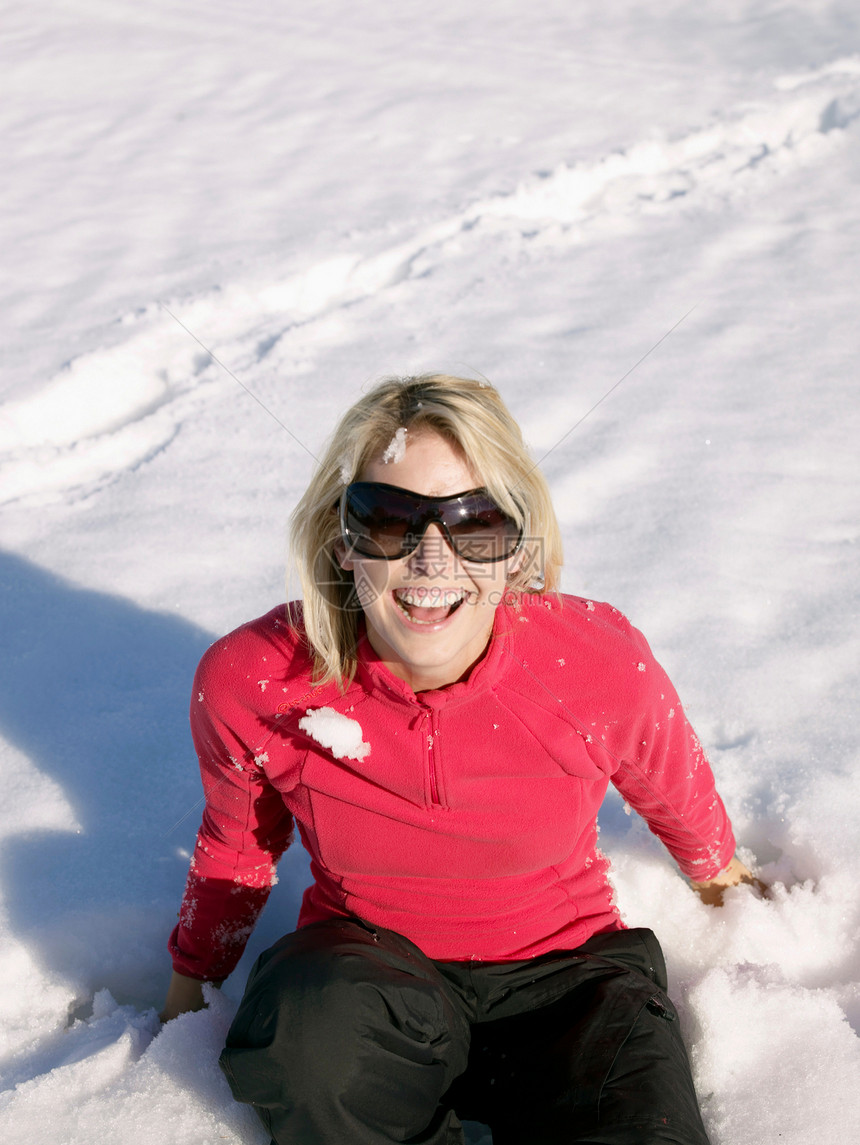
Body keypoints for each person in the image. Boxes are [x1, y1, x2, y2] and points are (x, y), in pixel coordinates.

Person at [162, 374, 761, 1144]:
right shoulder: (257, 680)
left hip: (570, 984)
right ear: (343, 541)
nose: (431, 558)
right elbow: (234, 849)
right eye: (387, 519)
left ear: (514, 546)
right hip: (369, 980)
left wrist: (723, 876)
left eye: (475, 522)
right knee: (304, 1041)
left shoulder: (594, 660)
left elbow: (672, 783)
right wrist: (187, 990)